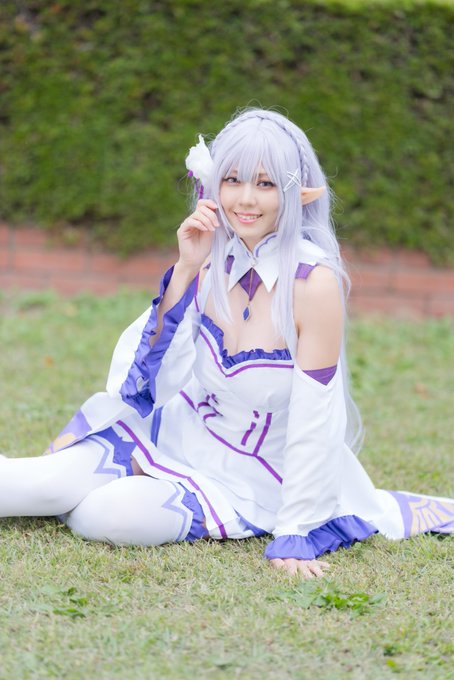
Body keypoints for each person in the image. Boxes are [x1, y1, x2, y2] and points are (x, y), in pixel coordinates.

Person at [1, 108, 453, 579]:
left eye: (265, 183)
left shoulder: (313, 284)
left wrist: (295, 528)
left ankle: (82, 487)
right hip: (180, 431)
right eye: (233, 180)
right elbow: (147, 383)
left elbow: (316, 417)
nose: (245, 199)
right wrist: (185, 269)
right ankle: (63, 484)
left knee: (103, 516)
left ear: (297, 194)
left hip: (255, 476)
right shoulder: (212, 260)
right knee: (44, 485)